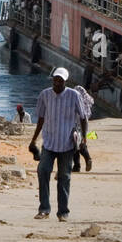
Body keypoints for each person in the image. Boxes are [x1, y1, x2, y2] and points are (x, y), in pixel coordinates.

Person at [32, 67, 88, 222]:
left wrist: (84, 139)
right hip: (49, 142)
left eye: (60, 81)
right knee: (43, 171)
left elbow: (83, 118)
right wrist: (34, 139)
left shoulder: (74, 95)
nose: (57, 83)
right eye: (55, 80)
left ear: (65, 81)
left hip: (66, 144)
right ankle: (44, 209)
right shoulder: (45, 95)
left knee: (64, 177)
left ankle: (63, 212)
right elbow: (41, 118)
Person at [71, 84, 94, 172]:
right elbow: (86, 118)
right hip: (84, 127)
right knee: (81, 145)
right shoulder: (86, 104)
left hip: (76, 127)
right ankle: (87, 159)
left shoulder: (75, 103)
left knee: (75, 146)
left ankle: (77, 165)